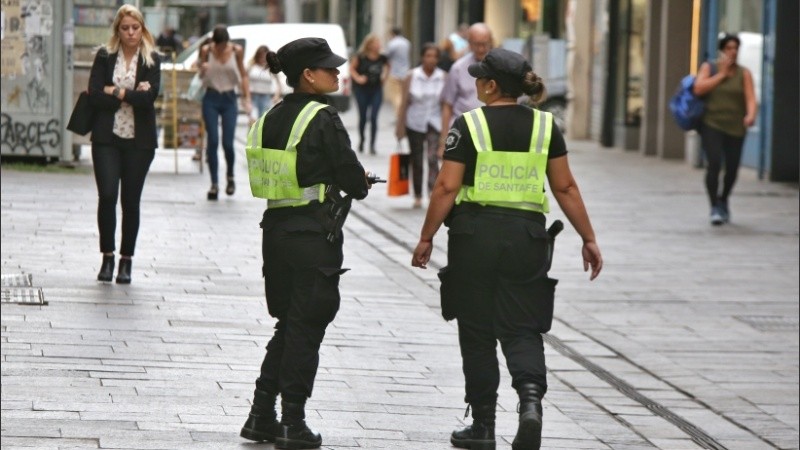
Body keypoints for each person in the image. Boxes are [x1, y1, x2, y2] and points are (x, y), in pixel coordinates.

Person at [411, 48, 603, 450]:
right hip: (526, 240)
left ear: (492, 85)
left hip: (475, 238)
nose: (476, 82)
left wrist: (427, 236)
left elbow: (446, 186)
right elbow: (565, 187)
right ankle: (530, 403)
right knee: (523, 327)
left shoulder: (469, 125)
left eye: (480, 77)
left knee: (478, 330)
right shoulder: (546, 127)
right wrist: (588, 237)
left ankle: (482, 426)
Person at [239, 37, 375, 449]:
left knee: (290, 323)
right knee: (306, 326)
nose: (336, 73)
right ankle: (291, 421)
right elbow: (352, 178)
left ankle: (262, 414)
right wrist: (357, 181)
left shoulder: (271, 117)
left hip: (275, 232)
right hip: (313, 235)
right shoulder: (323, 117)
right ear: (307, 76)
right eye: (328, 68)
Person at [88, 4, 161, 285]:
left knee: (130, 201)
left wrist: (115, 90)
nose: (131, 33)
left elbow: (148, 100)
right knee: (107, 195)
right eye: (125, 28)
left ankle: (126, 261)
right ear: (117, 30)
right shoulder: (105, 56)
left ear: (142, 28)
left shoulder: (152, 59)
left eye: (136, 27)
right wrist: (131, 92)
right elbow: (94, 94)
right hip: (107, 137)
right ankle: (107, 256)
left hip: (139, 142)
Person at [693, 33, 757, 226]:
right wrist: (721, 74)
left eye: (736, 48)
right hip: (712, 124)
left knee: (732, 168)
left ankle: (724, 199)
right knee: (713, 163)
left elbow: (750, 97)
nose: (733, 51)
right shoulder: (710, 68)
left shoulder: (743, 73)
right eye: (729, 48)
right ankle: (714, 206)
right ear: (722, 50)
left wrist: (751, 115)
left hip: (736, 127)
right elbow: (699, 88)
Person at [198, 24, 251, 200]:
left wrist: (246, 97)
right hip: (211, 98)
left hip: (229, 99)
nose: (219, 49)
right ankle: (214, 184)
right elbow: (199, 74)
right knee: (212, 140)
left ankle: (230, 177)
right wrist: (202, 68)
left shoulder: (236, 51)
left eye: (222, 46)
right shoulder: (206, 50)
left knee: (228, 143)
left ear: (227, 42)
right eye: (217, 45)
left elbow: (243, 74)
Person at [395, 43, 446, 209]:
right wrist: (400, 127)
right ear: (422, 57)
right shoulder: (412, 76)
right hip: (414, 122)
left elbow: (446, 104)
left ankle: (432, 191)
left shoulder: (443, 77)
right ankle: (417, 194)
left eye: (434, 56)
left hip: (434, 122)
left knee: (432, 157)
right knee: (416, 159)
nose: (431, 59)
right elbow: (404, 103)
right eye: (428, 56)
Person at [438, 23, 493, 157]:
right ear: (469, 43)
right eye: (477, 44)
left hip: (491, 134)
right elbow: (447, 105)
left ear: (491, 42)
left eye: (485, 44)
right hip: (463, 133)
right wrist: (443, 139)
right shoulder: (458, 68)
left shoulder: (500, 66)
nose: (481, 49)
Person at [349, 33, 389, 154]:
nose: (378, 45)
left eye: (379, 43)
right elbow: (351, 69)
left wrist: (384, 77)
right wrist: (358, 78)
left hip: (376, 89)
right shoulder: (360, 57)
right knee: (363, 117)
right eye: (376, 43)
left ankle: (372, 145)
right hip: (362, 90)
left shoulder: (382, 57)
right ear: (369, 44)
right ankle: (362, 140)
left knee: (374, 117)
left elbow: (388, 67)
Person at [247, 45, 282, 124]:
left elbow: (278, 83)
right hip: (253, 96)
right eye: (260, 56)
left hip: (266, 97)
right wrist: (246, 98)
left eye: (264, 56)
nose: (262, 58)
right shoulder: (251, 66)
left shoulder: (271, 68)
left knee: (265, 122)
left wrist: (277, 96)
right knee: (253, 121)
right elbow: (245, 81)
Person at [383, 26, 411, 115]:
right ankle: (403, 112)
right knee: (403, 94)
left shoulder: (392, 43)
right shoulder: (406, 42)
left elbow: (387, 56)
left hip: (394, 72)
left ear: (393, 34)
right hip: (405, 71)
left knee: (395, 95)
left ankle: (399, 113)